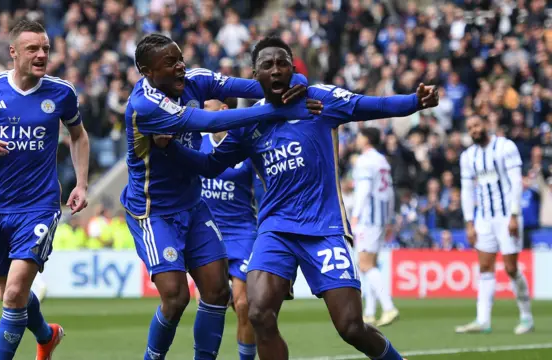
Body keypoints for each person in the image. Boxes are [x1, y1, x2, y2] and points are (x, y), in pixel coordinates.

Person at [154, 36, 438, 360]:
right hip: (276, 230)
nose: (276, 70)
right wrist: (170, 148)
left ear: (292, 67)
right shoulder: (248, 124)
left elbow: (367, 105)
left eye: (282, 63)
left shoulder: (319, 100)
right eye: (267, 65)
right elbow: (209, 164)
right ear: (254, 74)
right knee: (258, 313)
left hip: (324, 227)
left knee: (351, 328)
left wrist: (413, 102)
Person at [122, 33, 318, 360]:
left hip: (193, 206)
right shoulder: (144, 105)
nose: (180, 66)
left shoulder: (197, 81)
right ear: (147, 71)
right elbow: (209, 121)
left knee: (217, 292)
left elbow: (255, 86)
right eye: (169, 63)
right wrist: (273, 110)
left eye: (180, 57)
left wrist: (294, 81)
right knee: (175, 297)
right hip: (153, 212)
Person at [0, 20, 90, 359]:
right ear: (13, 53)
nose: (41, 55)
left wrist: (81, 183)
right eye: (32, 49)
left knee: (13, 294)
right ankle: (46, 334)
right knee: (10, 296)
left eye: (45, 49)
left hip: (40, 205)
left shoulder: (61, 93)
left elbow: (79, 135)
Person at [456, 115, 534, 335]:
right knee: (485, 268)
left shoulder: (505, 147)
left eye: (477, 125)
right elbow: (467, 191)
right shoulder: (468, 156)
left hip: (506, 216)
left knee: (511, 268)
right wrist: (469, 222)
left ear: (486, 125)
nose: (474, 130)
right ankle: (483, 320)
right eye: (470, 127)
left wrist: (514, 215)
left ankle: (526, 317)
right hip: (484, 219)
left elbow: (517, 182)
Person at [200, 98, 265, 360]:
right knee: (209, 304)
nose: (201, 111)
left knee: (244, 304)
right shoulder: (197, 142)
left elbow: (261, 192)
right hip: (207, 233)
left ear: (223, 109)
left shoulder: (245, 146)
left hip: (242, 232)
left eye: (207, 106)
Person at [351, 127, 398, 327]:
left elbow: (363, 190)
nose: (357, 139)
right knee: (369, 264)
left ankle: (389, 307)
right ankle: (369, 313)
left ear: (367, 139)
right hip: (381, 217)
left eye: (360, 136)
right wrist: (389, 219)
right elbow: (390, 191)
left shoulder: (364, 161)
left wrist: (355, 215)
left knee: (365, 264)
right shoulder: (382, 161)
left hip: (368, 218)